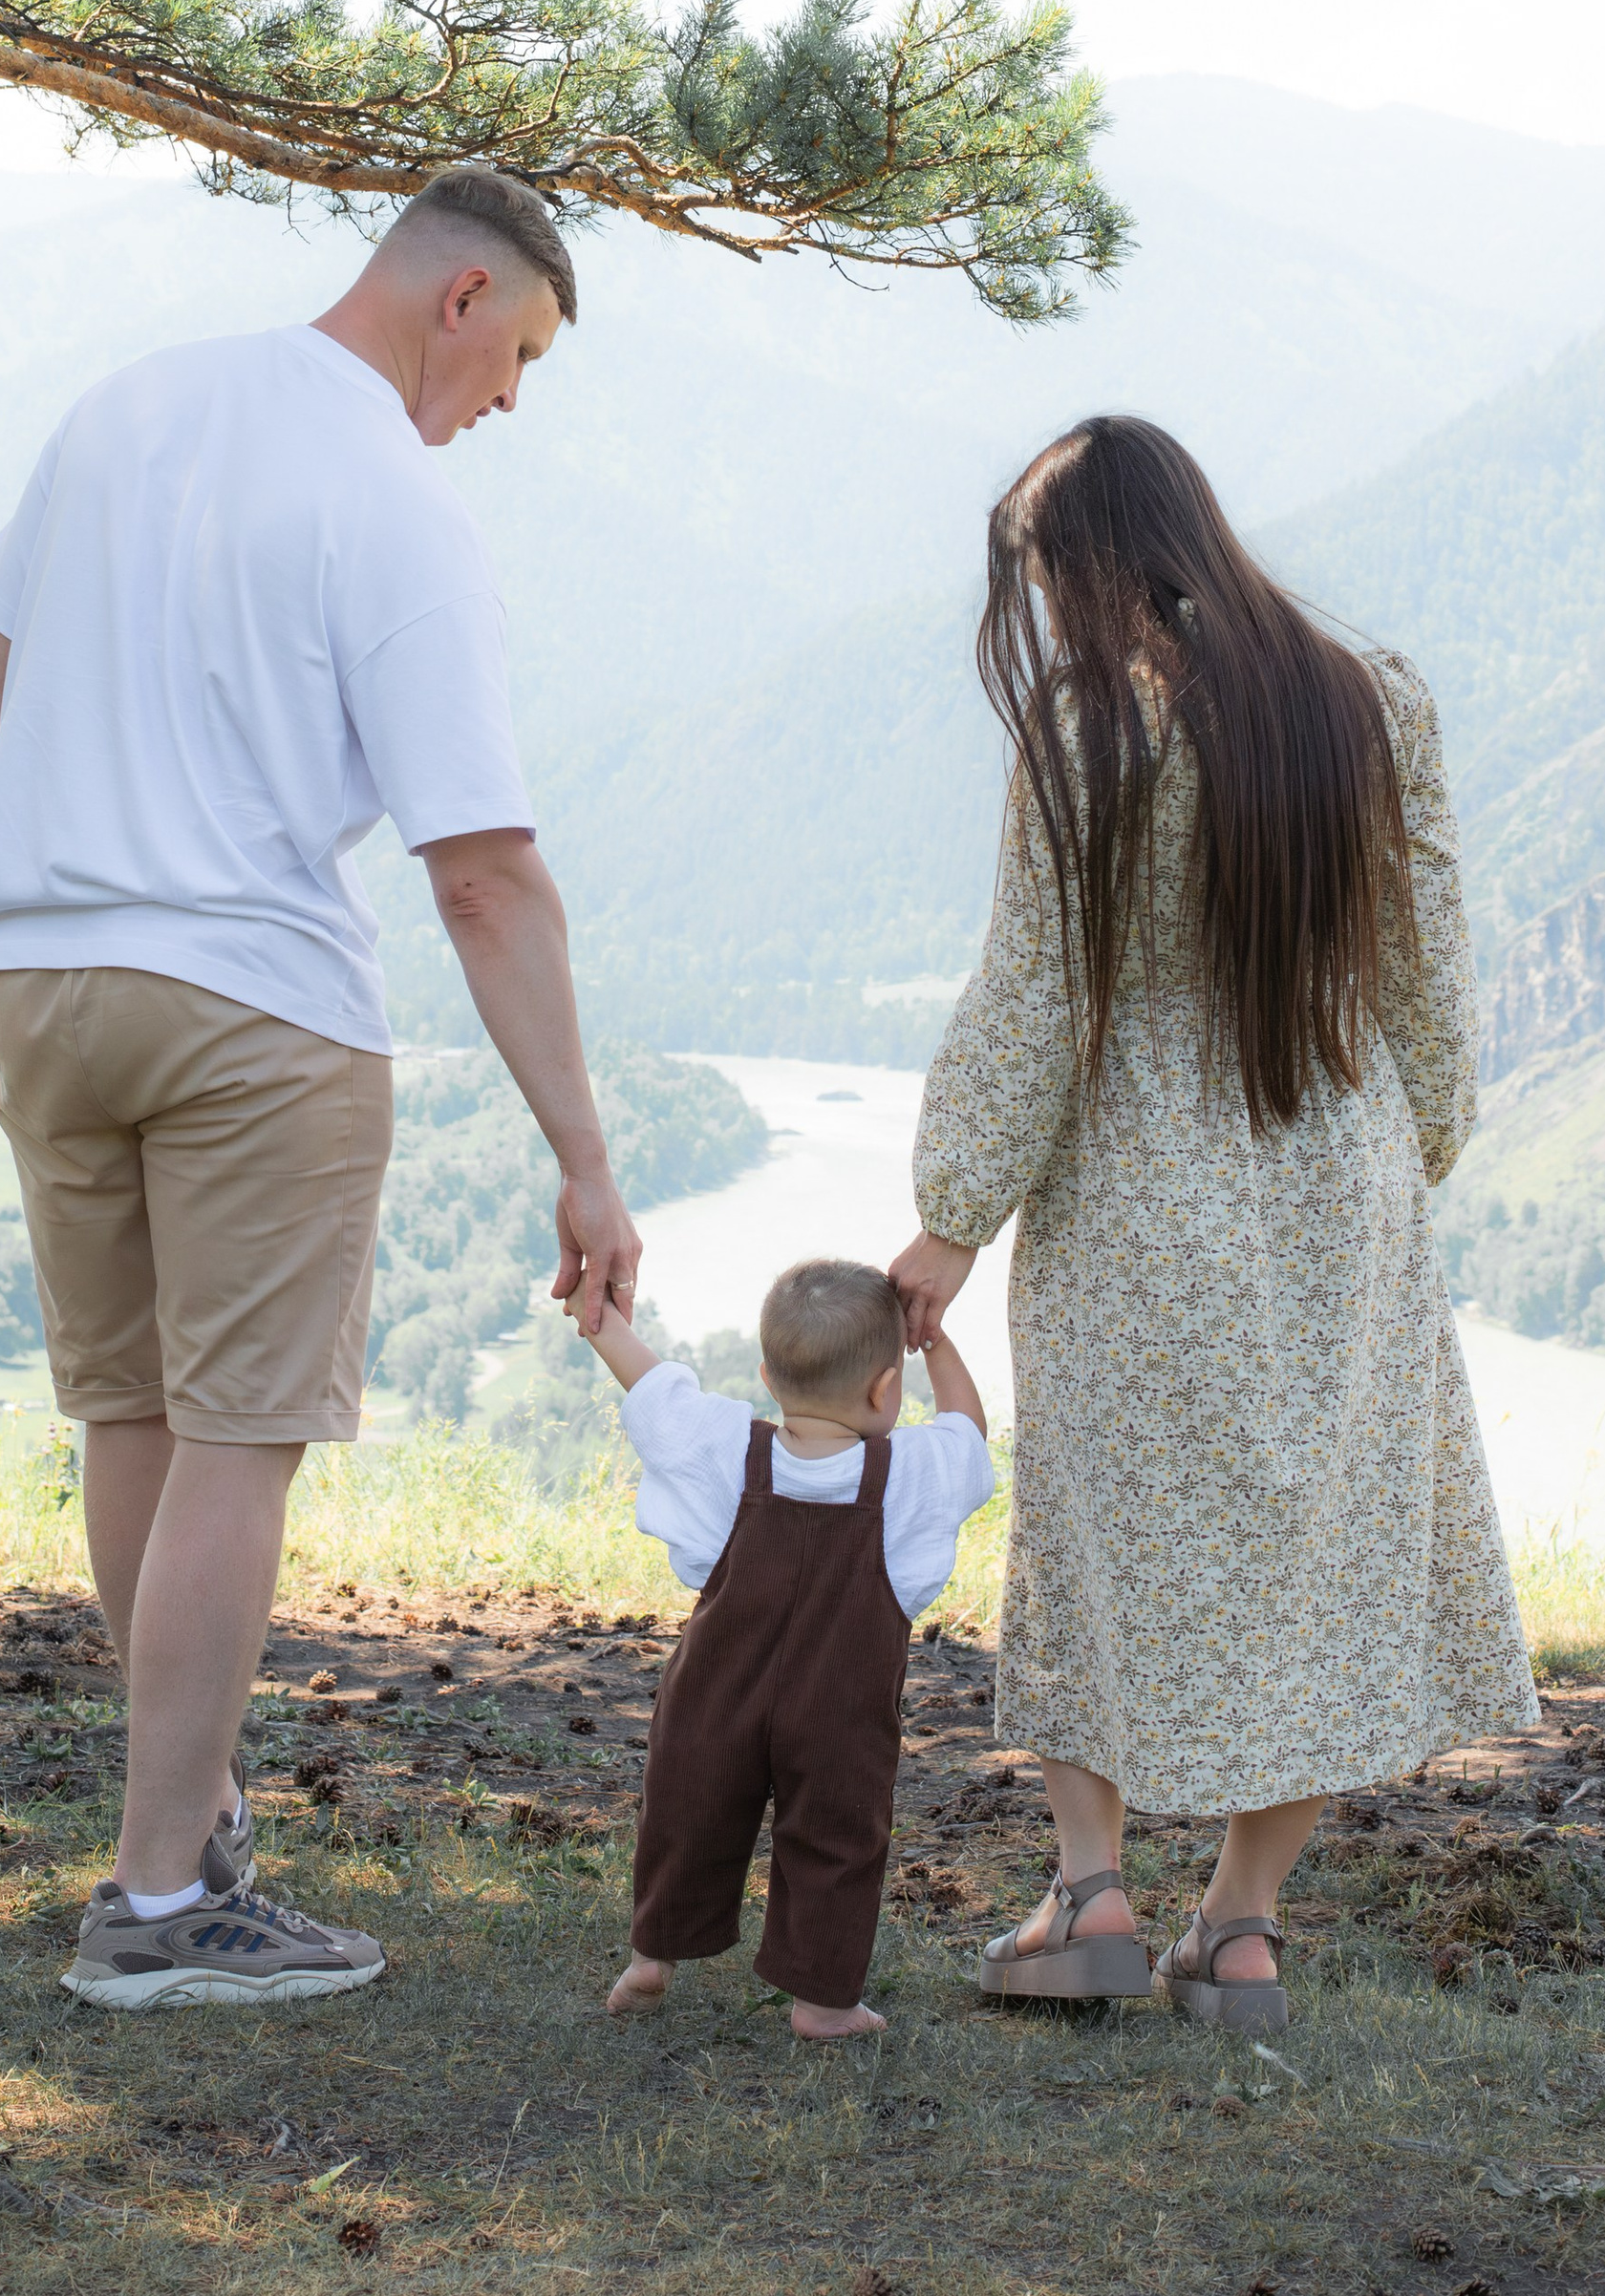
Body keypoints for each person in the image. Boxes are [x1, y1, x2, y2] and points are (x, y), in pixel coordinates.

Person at [0, 162, 646, 2011]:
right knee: (237, 1437)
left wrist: (71, 893)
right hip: (249, 1003)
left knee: (130, 1422)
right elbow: (479, 871)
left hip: (36, 974)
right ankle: (160, 1910)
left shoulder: (130, 406)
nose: (507, 406)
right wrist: (584, 1159)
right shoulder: (394, 509)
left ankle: (193, 1826)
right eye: (523, 358)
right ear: (463, 296)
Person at [889, 416, 1536, 2038]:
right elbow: (1426, 954)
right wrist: (1419, 1144)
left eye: (1050, 579)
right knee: (1324, 1546)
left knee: (1097, 1531)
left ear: (1097, 563)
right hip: (1337, 1152)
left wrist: (950, 1220)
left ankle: (1089, 1896)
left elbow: (1035, 998)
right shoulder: (1366, 695)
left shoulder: (1083, 733)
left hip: (1139, 1171)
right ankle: (1240, 1930)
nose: (1048, 615)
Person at [585, 1257, 995, 2041]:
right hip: (840, 1708)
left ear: (768, 1376)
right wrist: (933, 1340)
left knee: (686, 1810)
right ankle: (824, 2002)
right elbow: (966, 1430)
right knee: (839, 1838)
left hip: (715, 1690)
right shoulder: (909, 1474)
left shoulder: (724, 1448)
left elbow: (652, 1388)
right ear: (884, 1388)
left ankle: (652, 1956)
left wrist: (597, 1310)